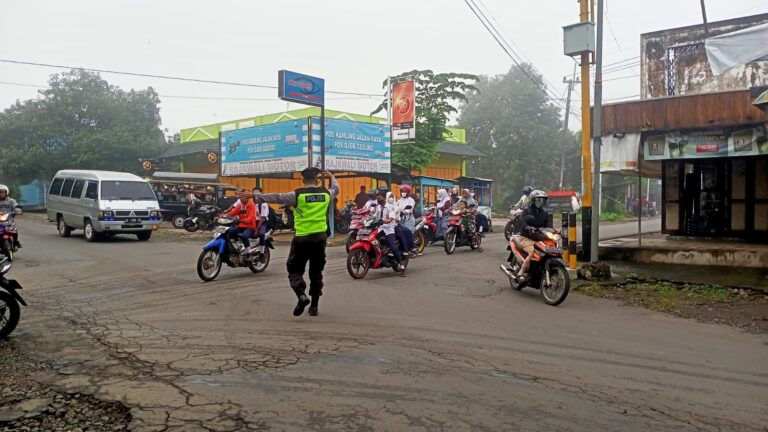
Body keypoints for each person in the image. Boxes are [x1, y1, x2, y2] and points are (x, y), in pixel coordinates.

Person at [249, 168, 339, 317]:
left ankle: (301, 295)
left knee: (294, 269)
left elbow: (277, 197)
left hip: (302, 238)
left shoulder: (297, 195)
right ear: (317, 180)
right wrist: (332, 176)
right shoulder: (326, 194)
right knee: (316, 272)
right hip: (320, 238)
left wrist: (254, 195)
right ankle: (314, 306)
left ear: (303, 180)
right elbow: (336, 188)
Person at [515, 190, 550, 283]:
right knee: (533, 252)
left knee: (550, 251)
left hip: (540, 238)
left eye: (542, 200)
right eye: (538, 199)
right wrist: (527, 227)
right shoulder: (526, 211)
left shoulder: (545, 213)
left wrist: (555, 231)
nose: (540, 202)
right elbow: (522, 223)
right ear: (532, 200)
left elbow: (548, 227)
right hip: (527, 237)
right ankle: (521, 273)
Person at [382, 192, 406, 275]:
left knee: (393, 247)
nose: (391, 198)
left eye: (392, 196)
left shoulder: (393, 207)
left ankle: (401, 264)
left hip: (390, 228)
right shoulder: (383, 206)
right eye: (389, 196)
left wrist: (390, 219)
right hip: (381, 228)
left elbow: (391, 218)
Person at [396, 185, 417, 256]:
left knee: (408, 232)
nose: (403, 193)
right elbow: (395, 208)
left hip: (409, 219)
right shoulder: (399, 201)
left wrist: (407, 211)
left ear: (408, 192)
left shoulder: (411, 200)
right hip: (401, 218)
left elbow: (410, 207)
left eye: (404, 191)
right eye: (402, 191)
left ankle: (411, 249)